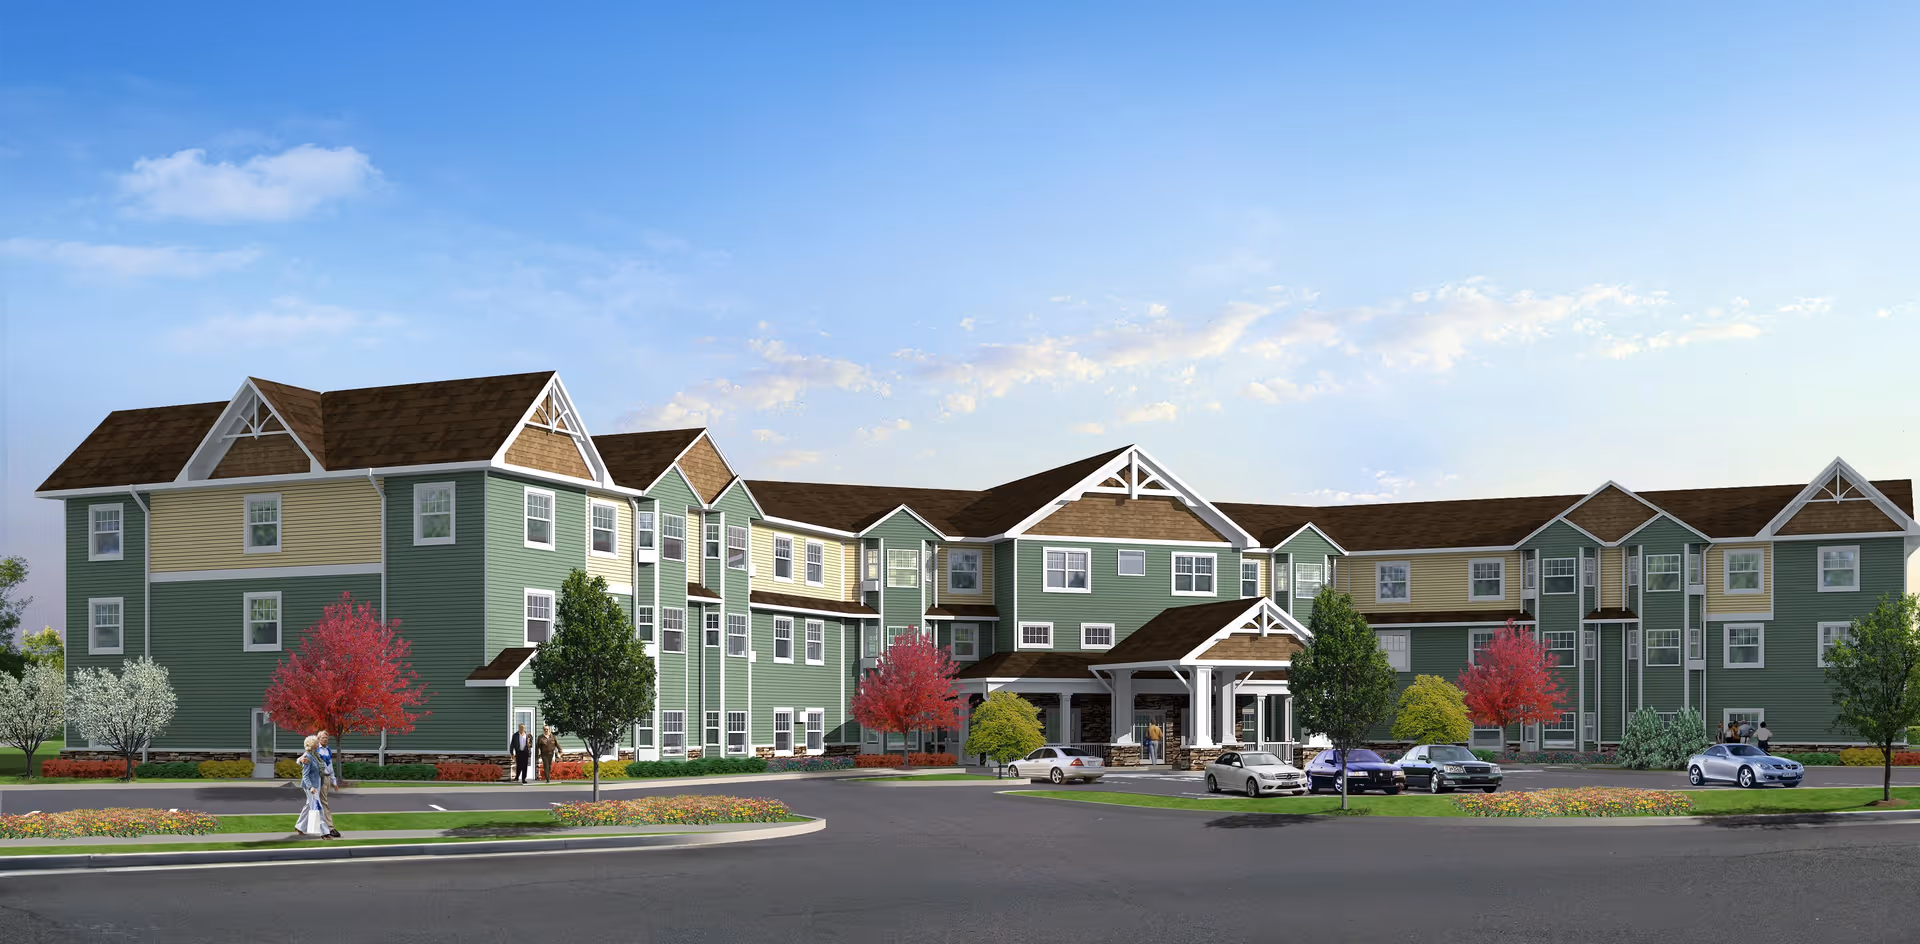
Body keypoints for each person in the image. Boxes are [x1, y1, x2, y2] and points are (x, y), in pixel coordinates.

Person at [295, 735, 335, 839]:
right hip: (311, 786)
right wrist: (311, 787)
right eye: (317, 742)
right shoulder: (307, 757)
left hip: (317, 785)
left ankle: (299, 827)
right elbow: (305, 775)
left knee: (309, 806)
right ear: (312, 745)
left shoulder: (315, 755)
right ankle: (325, 833)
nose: (319, 744)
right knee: (317, 807)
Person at [315, 730, 341, 838]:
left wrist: (334, 781)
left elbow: (330, 767)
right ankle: (330, 828)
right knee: (322, 803)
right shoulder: (315, 750)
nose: (325, 739)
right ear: (318, 739)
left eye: (327, 738)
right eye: (323, 738)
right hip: (318, 778)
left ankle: (308, 828)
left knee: (316, 804)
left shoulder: (328, 750)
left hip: (326, 779)